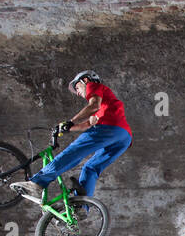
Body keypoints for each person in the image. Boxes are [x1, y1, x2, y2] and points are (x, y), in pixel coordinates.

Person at [11, 70, 131, 205]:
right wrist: (66, 127)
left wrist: (71, 121)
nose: (78, 93)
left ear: (84, 80)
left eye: (77, 88)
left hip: (109, 128)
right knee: (91, 169)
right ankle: (81, 208)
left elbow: (93, 105)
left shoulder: (93, 86)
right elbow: (87, 125)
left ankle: (37, 183)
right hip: (123, 137)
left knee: (72, 153)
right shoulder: (104, 105)